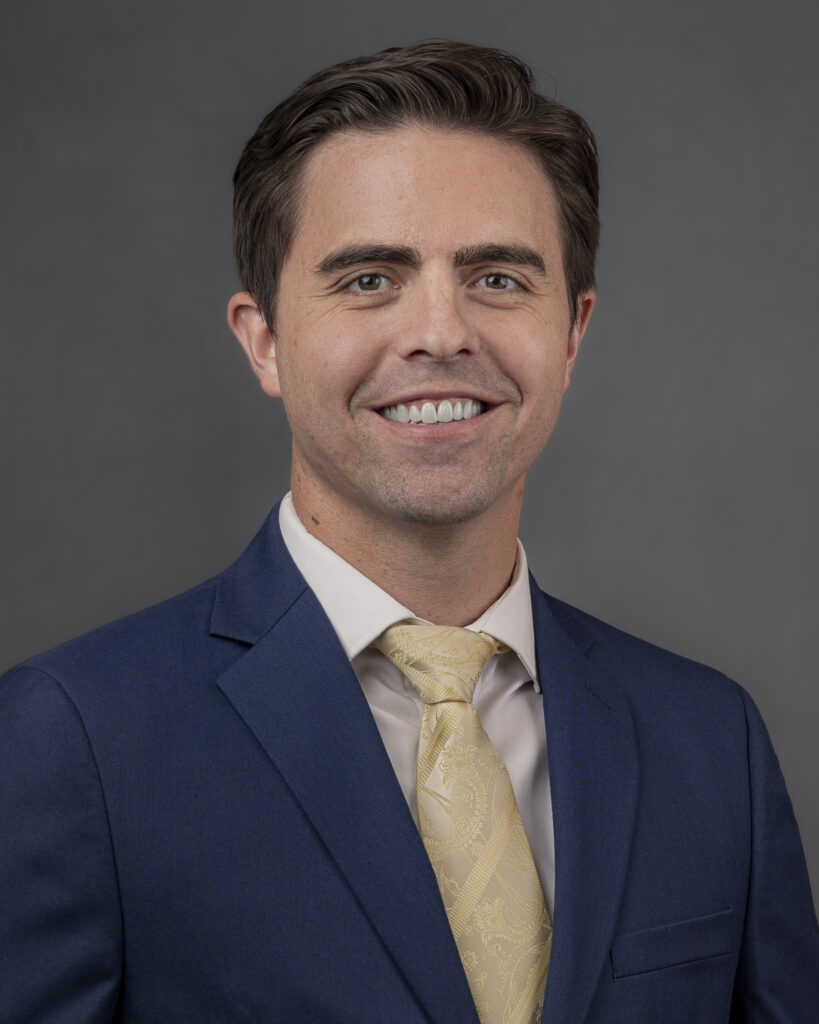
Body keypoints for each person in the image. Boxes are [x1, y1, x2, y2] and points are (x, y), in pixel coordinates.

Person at [1, 40, 816, 1024]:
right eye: (369, 280)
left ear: (572, 333)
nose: (440, 332)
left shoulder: (709, 741)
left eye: (498, 279)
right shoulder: (72, 738)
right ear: (264, 341)